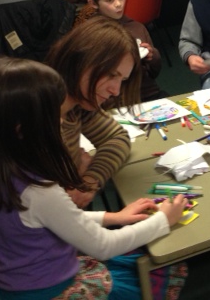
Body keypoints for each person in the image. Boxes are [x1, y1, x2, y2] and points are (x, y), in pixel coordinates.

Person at [0, 57, 186, 298]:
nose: (61, 122)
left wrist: (112, 216)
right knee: (152, 270)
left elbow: (53, 218)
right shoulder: (39, 191)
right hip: (53, 290)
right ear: (22, 129)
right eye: (54, 117)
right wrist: (162, 220)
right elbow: (103, 245)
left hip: (15, 288)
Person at [47, 15, 143, 208]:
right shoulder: (39, 117)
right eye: (110, 75)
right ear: (80, 62)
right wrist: (76, 170)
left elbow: (117, 138)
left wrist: (90, 178)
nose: (115, 91)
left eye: (121, 80)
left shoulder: (79, 105)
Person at [76, 0, 166, 101]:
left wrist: (152, 55)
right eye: (109, 0)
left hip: (147, 94)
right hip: (115, 100)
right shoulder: (91, 34)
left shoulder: (137, 27)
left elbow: (153, 73)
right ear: (93, 3)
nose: (118, 4)